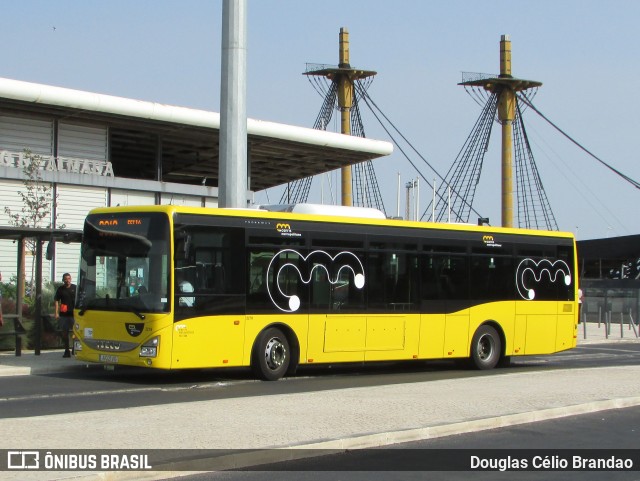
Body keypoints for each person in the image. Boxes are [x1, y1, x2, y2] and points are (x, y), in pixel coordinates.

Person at [54, 273, 76, 358]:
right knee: (64, 333)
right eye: (66, 279)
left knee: (75, 332)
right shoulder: (60, 289)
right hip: (64, 315)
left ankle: (75, 348)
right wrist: (56, 312)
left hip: (73, 314)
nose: (67, 280)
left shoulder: (75, 288)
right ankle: (67, 350)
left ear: (71, 279)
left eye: (69, 278)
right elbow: (56, 301)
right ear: (63, 280)